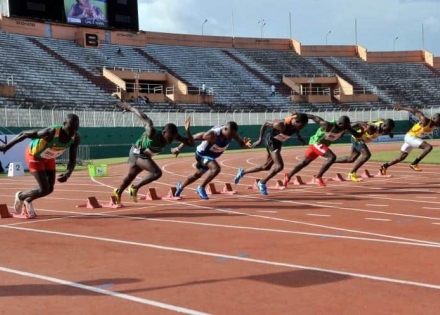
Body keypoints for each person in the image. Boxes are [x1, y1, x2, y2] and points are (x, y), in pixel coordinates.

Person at [0, 114, 81, 218]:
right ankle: (20, 196)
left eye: (74, 130)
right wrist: (7, 146)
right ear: (64, 124)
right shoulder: (51, 132)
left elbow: (72, 159)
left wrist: (68, 174)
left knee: (50, 189)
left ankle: (28, 200)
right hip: (34, 156)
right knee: (43, 189)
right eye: (70, 129)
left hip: (48, 158)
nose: (71, 133)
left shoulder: (75, 138)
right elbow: (24, 133)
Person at [113, 102, 194, 204]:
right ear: (163, 132)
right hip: (137, 152)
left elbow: (191, 143)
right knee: (156, 173)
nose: (170, 141)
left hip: (145, 155)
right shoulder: (152, 133)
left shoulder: (175, 136)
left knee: (131, 176)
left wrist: (188, 131)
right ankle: (134, 188)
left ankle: (118, 192)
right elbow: (145, 118)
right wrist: (129, 107)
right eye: (169, 138)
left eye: (172, 139)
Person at [233, 113, 309, 195]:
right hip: (271, 141)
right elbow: (265, 123)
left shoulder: (296, 125)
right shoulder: (281, 124)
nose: (302, 128)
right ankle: (262, 182)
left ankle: (242, 172)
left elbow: (296, 130)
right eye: (301, 126)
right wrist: (260, 139)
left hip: (278, 142)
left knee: (266, 166)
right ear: (296, 121)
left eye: (304, 126)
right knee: (279, 166)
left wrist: (300, 137)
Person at [173, 122, 252, 200]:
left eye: (232, 135)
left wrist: (246, 145)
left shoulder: (233, 135)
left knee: (197, 174)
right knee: (216, 168)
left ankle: (180, 186)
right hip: (201, 154)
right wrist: (178, 148)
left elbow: (242, 144)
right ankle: (201, 187)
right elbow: (193, 138)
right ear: (225, 129)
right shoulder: (213, 135)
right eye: (229, 134)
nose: (230, 137)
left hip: (210, 157)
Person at [284, 115, 364, 187]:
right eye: (344, 126)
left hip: (320, 146)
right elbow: (313, 117)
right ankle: (318, 177)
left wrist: (362, 130)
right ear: (339, 124)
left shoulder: (346, 127)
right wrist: (297, 115)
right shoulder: (328, 125)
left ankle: (288, 175)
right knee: (332, 157)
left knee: (304, 162)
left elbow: (357, 135)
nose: (345, 128)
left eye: (347, 126)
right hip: (317, 143)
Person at [379, 104, 440, 174]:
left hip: (413, 140)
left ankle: (385, 166)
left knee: (401, 157)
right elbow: (414, 111)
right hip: (410, 137)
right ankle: (414, 163)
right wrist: (401, 107)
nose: (439, 124)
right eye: (439, 121)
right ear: (434, 118)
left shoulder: (435, 125)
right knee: (428, 147)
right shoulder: (425, 121)